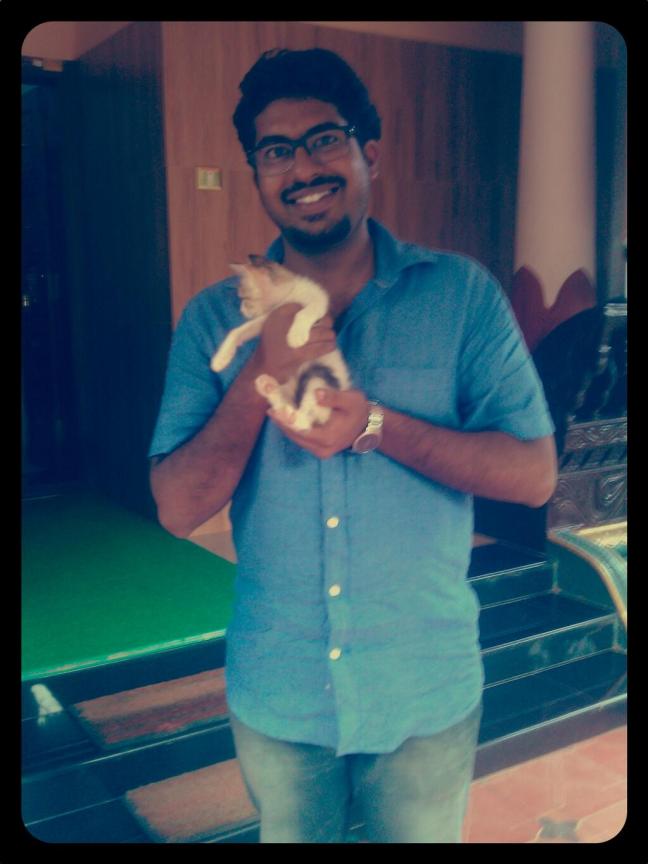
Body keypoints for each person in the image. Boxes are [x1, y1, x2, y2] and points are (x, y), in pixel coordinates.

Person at [149, 48, 557, 843]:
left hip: (422, 690)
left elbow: (535, 475)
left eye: (324, 140)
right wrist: (262, 367)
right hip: (282, 694)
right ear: (256, 174)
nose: (302, 167)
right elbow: (176, 508)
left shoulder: (461, 296)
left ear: (370, 152)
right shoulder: (213, 319)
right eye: (276, 150)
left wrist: (377, 426)